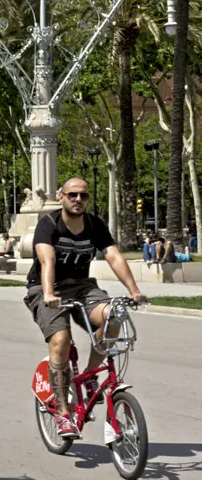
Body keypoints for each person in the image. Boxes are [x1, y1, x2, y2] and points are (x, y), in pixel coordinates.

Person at [23, 178, 145, 439]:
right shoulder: (49, 224)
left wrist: (134, 290)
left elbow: (113, 255)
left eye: (84, 196)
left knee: (114, 316)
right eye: (73, 195)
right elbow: (47, 261)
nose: (78, 200)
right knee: (61, 339)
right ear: (62, 196)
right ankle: (63, 414)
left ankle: (90, 375)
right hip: (46, 289)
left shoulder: (94, 225)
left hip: (82, 287)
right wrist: (48, 293)